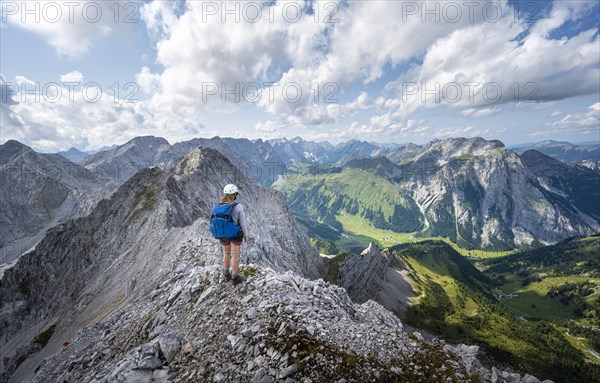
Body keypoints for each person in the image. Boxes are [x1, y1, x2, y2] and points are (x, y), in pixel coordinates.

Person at [218, 184, 248, 285]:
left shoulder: (219, 205)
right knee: (235, 256)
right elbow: (242, 223)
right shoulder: (238, 207)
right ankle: (235, 278)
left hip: (223, 234)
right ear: (234, 195)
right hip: (235, 234)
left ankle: (226, 274)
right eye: (236, 194)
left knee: (226, 254)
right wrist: (245, 235)